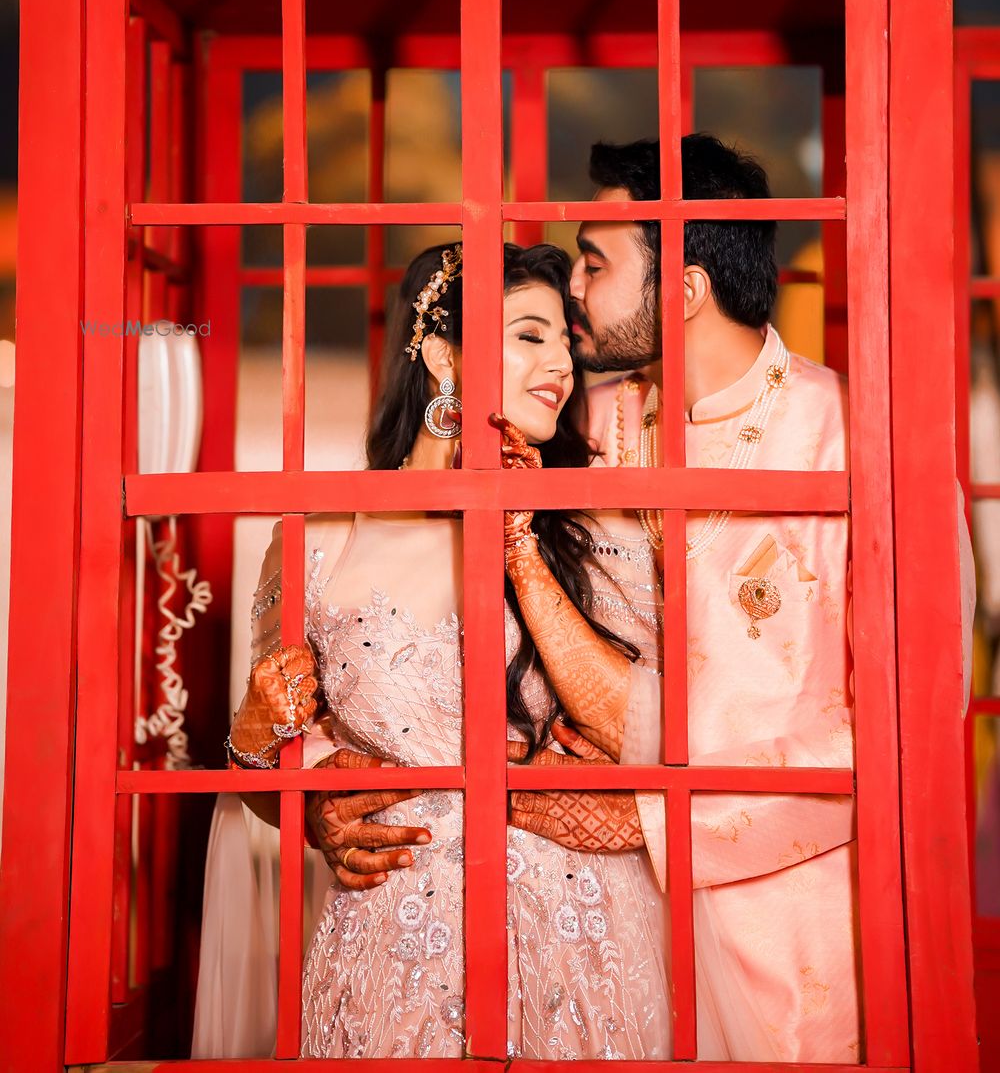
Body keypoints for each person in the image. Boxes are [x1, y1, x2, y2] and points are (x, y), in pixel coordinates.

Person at [217, 241, 672, 1059]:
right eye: (530, 335)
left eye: (566, 341)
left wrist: (622, 801)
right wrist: (296, 784)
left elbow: (669, 727)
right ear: (440, 352)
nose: (561, 364)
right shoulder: (316, 541)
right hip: (391, 943)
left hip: (581, 936)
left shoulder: (595, 526)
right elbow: (265, 770)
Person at [498, 134, 861, 1061]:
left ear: (685, 289)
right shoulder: (587, 423)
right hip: (607, 927)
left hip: (792, 932)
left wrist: (651, 816)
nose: (571, 287)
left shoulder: (852, 440)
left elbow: (891, 733)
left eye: (593, 262)